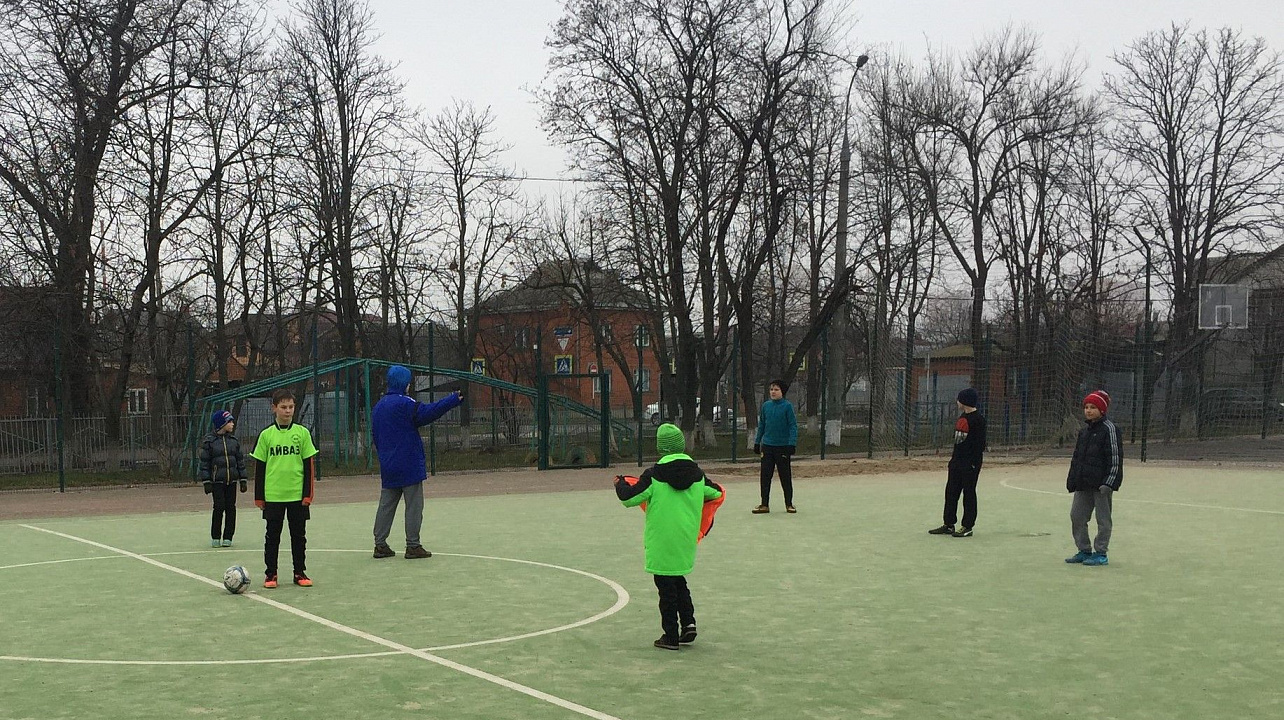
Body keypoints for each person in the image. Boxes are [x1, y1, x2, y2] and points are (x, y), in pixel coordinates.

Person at [615, 424, 724, 650]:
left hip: (661, 541)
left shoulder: (653, 475)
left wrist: (620, 484)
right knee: (679, 581)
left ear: (660, 448)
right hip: (685, 539)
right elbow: (716, 493)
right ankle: (689, 623)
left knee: (666, 588)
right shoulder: (697, 475)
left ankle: (670, 635)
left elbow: (629, 498)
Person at [370, 365, 463, 559]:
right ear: (404, 383)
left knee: (386, 504)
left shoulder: (378, 406)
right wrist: (452, 400)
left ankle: (380, 544)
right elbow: (427, 413)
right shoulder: (406, 404)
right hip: (409, 462)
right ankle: (413, 545)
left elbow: (375, 436)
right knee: (414, 505)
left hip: (388, 464)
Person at [251, 388, 318, 588]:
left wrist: (308, 494)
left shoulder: (302, 433)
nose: (287, 411)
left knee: (298, 536)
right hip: (273, 495)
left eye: (290, 407)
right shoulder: (266, 435)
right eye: (283, 407)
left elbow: (309, 467)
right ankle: (271, 574)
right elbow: (260, 468)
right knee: (272, 537)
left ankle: (299, 572)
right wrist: (259, 496)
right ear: (274, 408)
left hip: (297, 495)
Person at [1065, 390, 1122, 567]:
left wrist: (1109, 482)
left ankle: (1101, 552)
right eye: (1086, 407)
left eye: (1093, 407)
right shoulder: (1084, 433)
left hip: (1101, 485)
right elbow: (1077, 458)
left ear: (1102, 410)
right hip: (1083, 483)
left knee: (1103, 519)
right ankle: (1084, 549)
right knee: (1077, 516)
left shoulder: (1110, 430)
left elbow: (1115, 458)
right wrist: (1073, 479)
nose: (1088, 411)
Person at [929, 388, 987, 538]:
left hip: (970, 464)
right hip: (957, 463)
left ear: (965, 401)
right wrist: (953, 461)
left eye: (959, 400)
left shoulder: (978, 420)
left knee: (968, 494)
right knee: (951, 493)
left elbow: (979, 445)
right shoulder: (963, 417)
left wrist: (972, 463)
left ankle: (967, 526)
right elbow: (958, 442)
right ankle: (949, 524)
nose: (957, 402)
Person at [199, 410, 247, 548]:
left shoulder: (233, 441)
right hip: (217, 481)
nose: (232, 424)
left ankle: (228, 537)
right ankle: (215, 536)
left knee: (231, 508)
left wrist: (242, 479)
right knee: (219, 507)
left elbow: (240, 461)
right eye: (229, 421)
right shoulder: (209, 442)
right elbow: (205, 463)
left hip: (231, 481)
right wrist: (207, 481)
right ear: (222, 424)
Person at [752, 379, 798, 514]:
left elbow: (793, 426)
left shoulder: (787, 407)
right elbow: (762, 425)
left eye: (776, 389)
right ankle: (764, 504)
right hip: (767, 447)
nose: (773, 392)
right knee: (765, 476)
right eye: (771, 389)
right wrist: (757, 442)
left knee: (785, 476)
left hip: (783, 447)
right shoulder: (766, 406)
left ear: (782, 392)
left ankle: (789, 504)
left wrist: (791, 443)